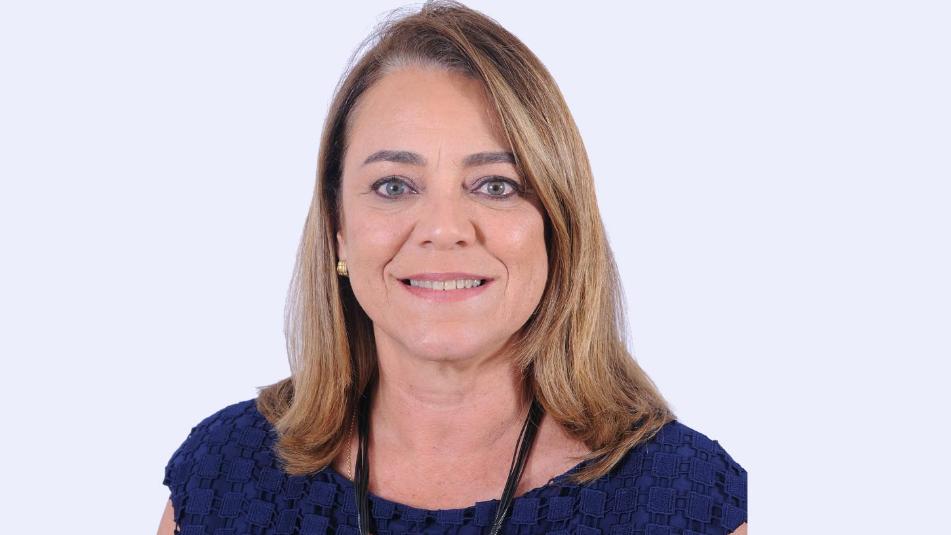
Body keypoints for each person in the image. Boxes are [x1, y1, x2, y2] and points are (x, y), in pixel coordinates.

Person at [157, 1, 748, 533]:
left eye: (495, 185)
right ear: (338, 229)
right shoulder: (225, 474)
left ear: (557, 226)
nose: (444, 229)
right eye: (393, 185)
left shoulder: (685, 499)